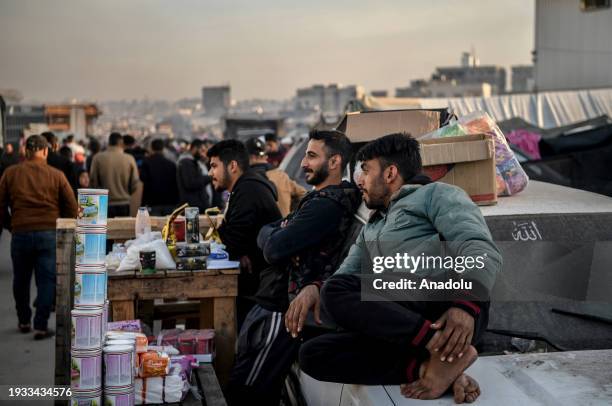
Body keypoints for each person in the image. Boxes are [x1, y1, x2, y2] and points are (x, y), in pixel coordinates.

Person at [298, 133, 503, 404]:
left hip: (449, 312)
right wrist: (314, 288)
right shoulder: (373, 225)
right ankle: (433, 368)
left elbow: (478, 247)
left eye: (366, 171)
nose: (360, 180)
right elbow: (345, 278)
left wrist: (467, 305)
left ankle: (438, 347)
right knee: (311, 354)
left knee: (336, 290)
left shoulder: (436, 195)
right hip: (401, 321)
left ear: (390, 173)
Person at [227, 130, 362, 406]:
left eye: (312, 156)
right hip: (273, 302)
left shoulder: (327, 205)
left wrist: (275, 235)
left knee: (247, 392)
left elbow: (274, 248)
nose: (303, 163)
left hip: (280, 309)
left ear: (335, 162)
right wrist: (275, 234)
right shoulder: (318, 199)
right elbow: (269, 232)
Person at [0, 135, 78, 339]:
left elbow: (0, 205)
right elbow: (72, 207)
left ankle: (23, 320)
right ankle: (40, 325)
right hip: (48, 232)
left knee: (21, 279)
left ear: (25, 151)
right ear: (45, 151)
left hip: (20, 232)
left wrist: (10, 224)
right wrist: (63, 225)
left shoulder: (11, 173)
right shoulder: (56, 175)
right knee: (47, 280)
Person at [207, 140, 282, 325]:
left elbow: (230, 242)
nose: (210, 173)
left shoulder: (249, 189)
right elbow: (229, 235)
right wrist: (238, 252)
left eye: (214, 166)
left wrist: (237, 250)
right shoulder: (244, 187)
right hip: (255, 283)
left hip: (263, 291)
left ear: (232, 166)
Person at [245, 137, 307, 217]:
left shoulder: (245, 180)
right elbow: (304, 194)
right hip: (284, 228)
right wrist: (290, 215)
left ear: (249, 157)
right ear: (265, 156)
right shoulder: (281, 176)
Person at [90, 132, 140, 217]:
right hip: (124, 203)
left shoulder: (97, 158)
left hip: (103, 202)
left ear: (109, 142)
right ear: (121, 143)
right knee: (122, 229)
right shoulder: (129, 159)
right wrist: (126, 193)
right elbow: (135, 183)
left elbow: (93, 181)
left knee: (105, 229)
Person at [140, 139, 179, 215]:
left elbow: (143, 180)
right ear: (163, 148)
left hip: (153, 202)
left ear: (151, 148)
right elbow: (175, 183)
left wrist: (144, 202)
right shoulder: (171, 164)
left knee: (155, 225)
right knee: (168, 225)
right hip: (169, 202)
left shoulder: (147, 163)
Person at [177, 139, 214, 212]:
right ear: (194, 149)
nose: (203, 154)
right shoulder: (186, 163)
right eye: (202, 150)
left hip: (196, 206)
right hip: (193, 208)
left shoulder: (194, 162)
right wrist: (209, 178)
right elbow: (191, 183)